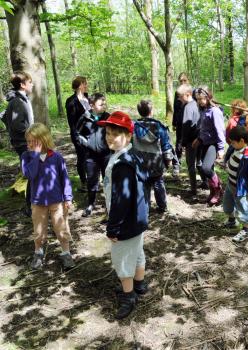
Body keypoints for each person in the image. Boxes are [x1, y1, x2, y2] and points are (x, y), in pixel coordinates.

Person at [97, 111, 149, 320]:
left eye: (116, 134)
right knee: (137, 253)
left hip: (126, 222)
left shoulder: (122, 165)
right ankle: (140, 285)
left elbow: (122, 199)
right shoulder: (131, 155)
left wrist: (113, 226)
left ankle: (129, 297)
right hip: (138, 218)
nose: (110, 137)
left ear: (128, 136)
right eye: (108, 133)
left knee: (122, 259)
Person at [21, 123, 74, 270]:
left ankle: (66, 253)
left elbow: (65, 178)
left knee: (61, 228)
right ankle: (38, 252)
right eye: (28, 141)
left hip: (57, 201)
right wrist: (36, 155)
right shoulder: (26, 157)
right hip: (37, 201)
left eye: (34, 141)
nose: (30, 144)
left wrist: (68, 197)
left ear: (43, 139)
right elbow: (29, 174)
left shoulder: (56, 157)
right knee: (39, 231)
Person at [4, 71, 35, 215]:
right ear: (23, 85)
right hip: (24, 144)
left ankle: (32, 204)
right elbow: (17, 125)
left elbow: (4, 116)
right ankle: (30, 207)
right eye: (30, 82)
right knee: (32, 173)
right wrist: (33, 133)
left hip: (27, 141)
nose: (32, 84)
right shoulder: (17, 101)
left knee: (34, 172)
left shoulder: (22, 99)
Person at [135, 100, 174, 214]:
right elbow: (166, 145)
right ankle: (162, 206)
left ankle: (144, 207)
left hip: (140, 161)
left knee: (143, 184)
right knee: (158, 183)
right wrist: (168, 160)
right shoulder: (159, 126)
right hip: (155, 161)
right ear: (151, 111)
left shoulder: (134, 126)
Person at [76, 93, 111, 217]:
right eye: (101, 104)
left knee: (108, 180)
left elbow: (114, 132)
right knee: (92, 181)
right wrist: (86, 143)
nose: (104, 105)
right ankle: (90, 203)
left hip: (106, 155)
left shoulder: (108, 117)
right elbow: (77, 133)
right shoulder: (85, 117)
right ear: (91, 105)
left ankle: (109, 205)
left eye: (104, 103)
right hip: (91, 156)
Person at [223, 126, 248, 242]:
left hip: (240, 188)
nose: (231, 145)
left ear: (242, 141)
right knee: (227, 206)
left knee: (242, 208)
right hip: (230, 184)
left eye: (233, 143)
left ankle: (245, 230)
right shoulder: (237, 148)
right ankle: (232, 220)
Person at [193, 86, 226, 206]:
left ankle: (218, 190)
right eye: (198, 99)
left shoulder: (215, 111)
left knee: (206, 168)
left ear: (208, 97)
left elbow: (220, 130)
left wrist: (221, 148)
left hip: (213, 144)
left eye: (202, 98)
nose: (200, 101)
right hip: (204, 143)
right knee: (207, 169)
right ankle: (212, 193)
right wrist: (199, 138)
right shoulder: (203, 110)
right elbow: (204, 128)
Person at [177, 84, 205, 195]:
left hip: (191, 141)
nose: (179, 99)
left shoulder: (188, 107)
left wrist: (183, 142)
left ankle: (193, 189)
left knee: (191, 165)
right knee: (199, 162)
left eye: (180, 96)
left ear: (187, 94)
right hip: (200, 139)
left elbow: (186, 126)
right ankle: (205, 181)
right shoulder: (198, 104)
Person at [65, 76, 90, 191]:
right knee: (82, 157)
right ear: (80, 85)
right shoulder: (71, 101)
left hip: (90, 133)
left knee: (91, 157)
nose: (87, 86)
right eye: (85, 84)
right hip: (79, 134)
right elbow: (72, 122)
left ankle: (91, 180)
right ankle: (83, 182)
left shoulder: (87, 98)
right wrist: (76, 136)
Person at [172, 72, 190, 177]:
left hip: (190, 123)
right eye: (181, 81)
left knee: (190, 144)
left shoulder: (192, 92)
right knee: (178, 144)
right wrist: (174, 122)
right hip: (180, 122)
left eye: (185, 80)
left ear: (188, 80)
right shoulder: (177, 93)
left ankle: (192, 166)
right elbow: (175, 108)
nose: (183, 82)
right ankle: (176, 165)